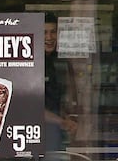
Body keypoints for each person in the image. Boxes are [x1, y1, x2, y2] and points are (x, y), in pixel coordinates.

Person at [44, 14, 77, 152]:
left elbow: (59, 98)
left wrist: (66, 116)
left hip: (56, 132)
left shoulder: (58, 61)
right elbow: (30, 106)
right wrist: (62, 121)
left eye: (53, 32)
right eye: (44, 32)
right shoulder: (29, 63)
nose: (49, 37)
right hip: (34, 132)